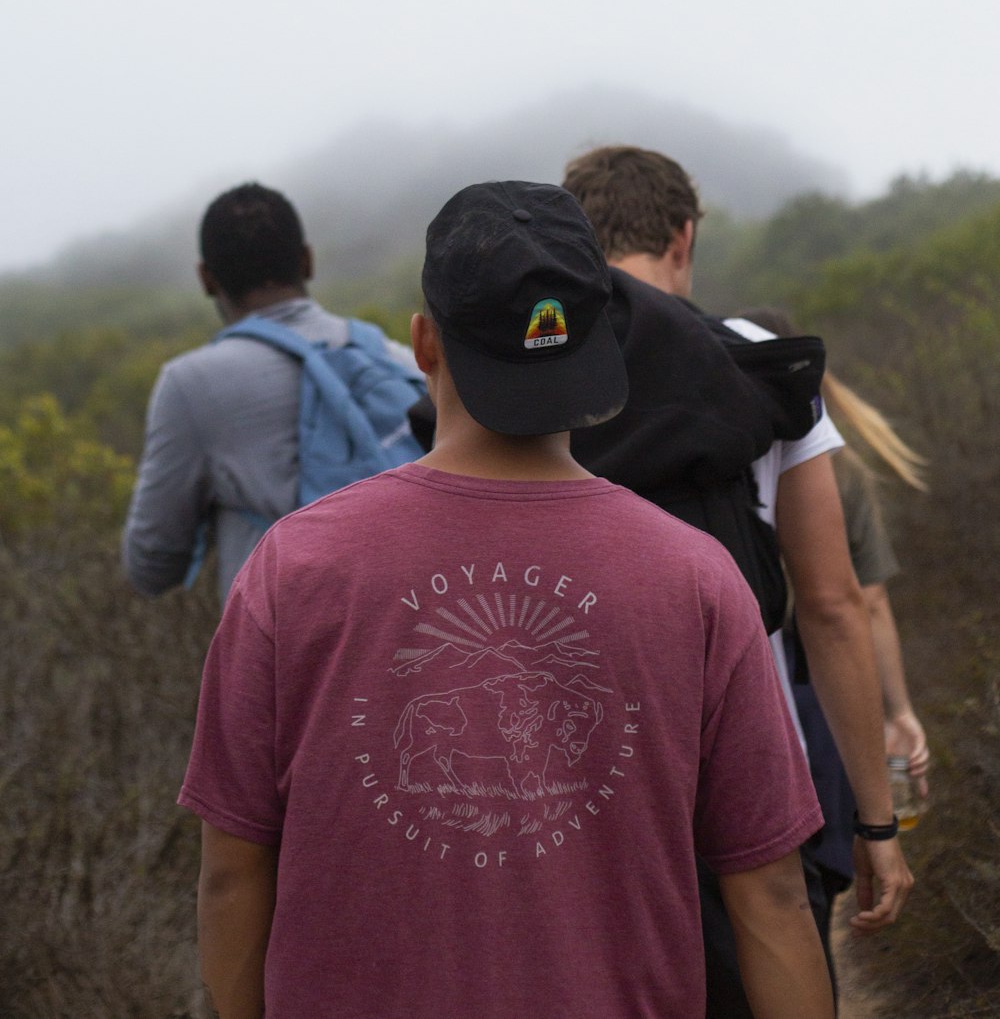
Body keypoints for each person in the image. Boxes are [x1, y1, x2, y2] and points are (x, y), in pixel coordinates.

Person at [180, 180, 834, 1019]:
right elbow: (772, 894)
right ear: (600, 346)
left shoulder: (294, 567)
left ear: (424, 342)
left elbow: (233, 874)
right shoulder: (698, 579)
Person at [561, 146, 913, 1012]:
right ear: (685, 236)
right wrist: (875, 820)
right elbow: (832, 606)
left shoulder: (538, 370)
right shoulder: (758, 359)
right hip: (746, 763)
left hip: (569, 776)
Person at [122, 182, 422, 604]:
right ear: (307, 260)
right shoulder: (403, 360)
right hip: (419, 627)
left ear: (206, 279)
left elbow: (151, 567)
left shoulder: (190, 384)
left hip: (292, 653)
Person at [743, 307, 930, 937]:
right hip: (815, 699)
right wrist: (895, 713)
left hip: (734, 694)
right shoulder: (837, 465)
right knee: (807, 897)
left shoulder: (707, 447)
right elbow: (861, 603)